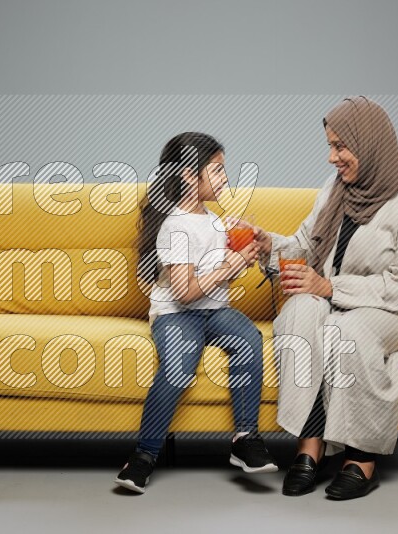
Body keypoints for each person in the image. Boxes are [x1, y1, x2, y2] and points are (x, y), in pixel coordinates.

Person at [252, 96, 398, 500]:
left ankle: (362, 457)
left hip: (393, 309)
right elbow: (307, 244)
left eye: (340, 146)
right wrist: (267, 244)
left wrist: (329, 288)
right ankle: (310, 443)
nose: (331, 158)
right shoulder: (337, 188)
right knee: (299, 312)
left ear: (370, 142)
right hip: (336, 298)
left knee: (350, 329)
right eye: (330, 146)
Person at [114, 132, 278, 494]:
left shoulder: (216, 222)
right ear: (189, 175)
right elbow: (185, 293)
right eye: (217, 170)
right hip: (176, 314)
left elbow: (217, 276)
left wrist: (243, 259)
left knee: (249, 338)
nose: (225, 178)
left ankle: (244, 438)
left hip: (215, 310)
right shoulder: (175, 227)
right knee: (178, 367)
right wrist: (229, 265)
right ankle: (143, 455)